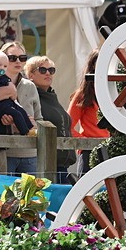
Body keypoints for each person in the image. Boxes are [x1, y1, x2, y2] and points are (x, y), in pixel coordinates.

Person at [26, 54, 74, 182]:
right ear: (31, 75)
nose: (48, 73)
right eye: (42, 70)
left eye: (51, 70)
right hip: (43, 164)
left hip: (62, 165)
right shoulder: (30, 96)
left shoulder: (52, 96)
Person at [0, 41, 42, 175]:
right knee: (4, 190)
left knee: (32, 190)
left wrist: (34, 126)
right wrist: (10, 125)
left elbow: (39, 119)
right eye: (12, 58)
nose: (18, 61)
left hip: (29, 154)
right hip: (3, 152)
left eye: (22, 58)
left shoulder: (30, 86)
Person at [67, 48, 109, 174]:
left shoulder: (115, 92)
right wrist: (85, 142)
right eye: (100, 62)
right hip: (89, 152)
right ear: (93, 65)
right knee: (87, 186)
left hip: (111, 150)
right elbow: (68, 126)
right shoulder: (83, 94)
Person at [0, 51, 34, 137]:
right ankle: (25, 132)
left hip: (7, 102)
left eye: (5, 66)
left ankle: (30, 127)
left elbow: (9, 85)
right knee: (16, 114)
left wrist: (12, 91)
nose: (2, 68)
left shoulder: (3, 76)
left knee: (21, 111)